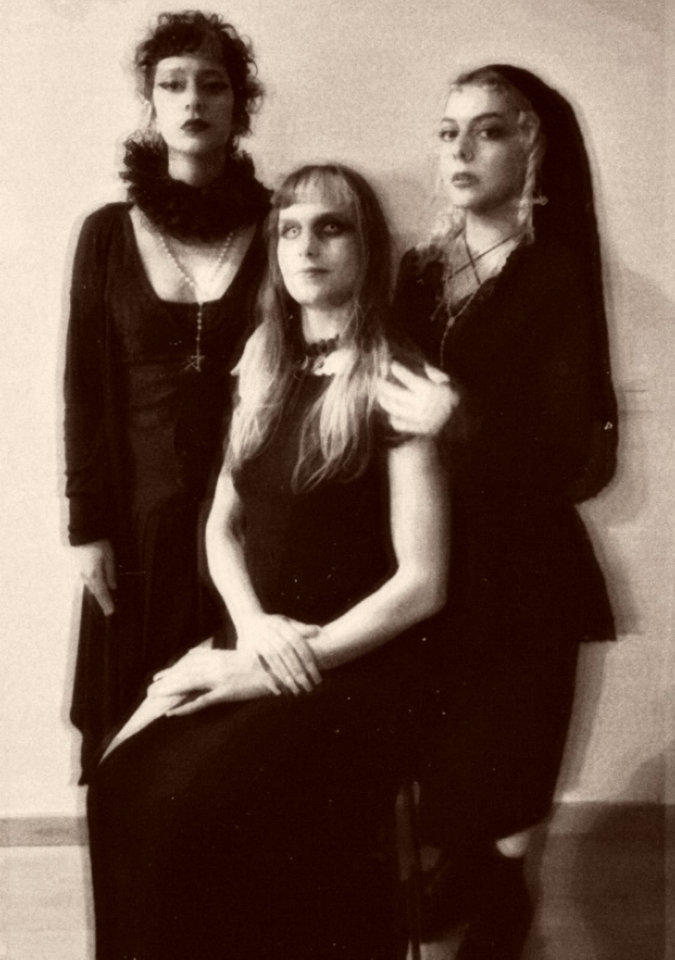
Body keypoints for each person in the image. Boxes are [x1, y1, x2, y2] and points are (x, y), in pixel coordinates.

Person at [86, 163, 449, 960]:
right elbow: (221, 526)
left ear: (366, 247)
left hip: (353, 667)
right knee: (117, 782)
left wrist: (270, 663)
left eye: (331, 227)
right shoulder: (263, 362)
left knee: (187, 808)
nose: (306, 246)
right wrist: (248, 632)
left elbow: (422, 585)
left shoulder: (398, 378)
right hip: (258, 641)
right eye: (290, 230)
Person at [377, 65, 618, 959]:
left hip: (521, 574)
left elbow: (573, 457)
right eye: (448, 132)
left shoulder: (552, 272)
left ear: (532, 149)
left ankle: (502, 913)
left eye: (487, 130)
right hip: (429, 562)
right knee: (438, 784)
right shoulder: (418, 270)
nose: (460, 149)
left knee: (507, 795)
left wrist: (462, 420)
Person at [64, 10, 270, 774]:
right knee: (128, 724)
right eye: (173, 84)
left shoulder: (283, 226)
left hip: (249, 515)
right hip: (137, 519)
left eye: (212, 85)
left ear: (238, 105)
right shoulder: (107, 233)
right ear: (150, 103)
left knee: (231, 739)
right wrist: (87, 528)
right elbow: (84, 390)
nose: (193, 100)